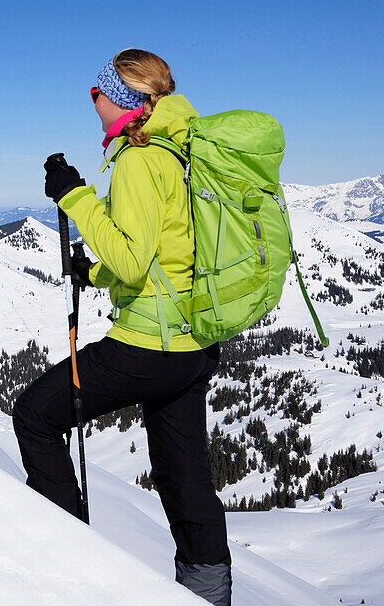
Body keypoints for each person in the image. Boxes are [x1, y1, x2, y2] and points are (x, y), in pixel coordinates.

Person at [13, 49, 231, 605]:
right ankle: (208, 593)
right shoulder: (178, 150)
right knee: (184, 476)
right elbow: (161, 249)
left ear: (127, 98)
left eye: (98, 91)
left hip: (147, 345)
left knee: (36, 415)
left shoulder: (138, 160)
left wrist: (74, 197)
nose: (93, 100)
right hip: (193, 342)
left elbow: (134, 261)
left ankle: (69, 565)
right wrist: (95, 269)